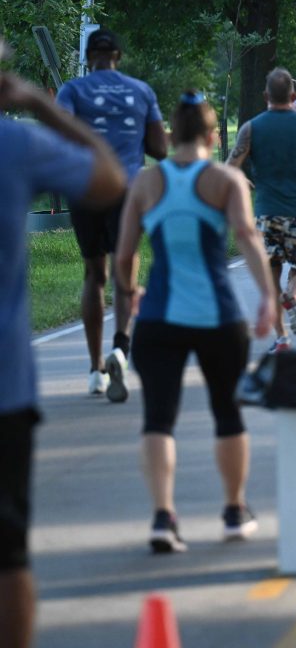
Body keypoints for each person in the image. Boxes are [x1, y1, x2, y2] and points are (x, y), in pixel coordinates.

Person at [114, 91, 275, 554]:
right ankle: (234, 511)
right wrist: (268, 297)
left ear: (170, 136)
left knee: (158, 419)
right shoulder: (227, 179)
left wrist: (130, 291)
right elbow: (246, 236)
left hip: (158, 317)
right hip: (218, 316)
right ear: (212, 136)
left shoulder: (145, 182)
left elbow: (124, 254)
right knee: (228, 412)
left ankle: (163, 517)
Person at [0, 68, 125, 648]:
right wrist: (38, 104)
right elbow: (110, 177)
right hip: (6, 389)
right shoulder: (15, 144)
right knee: (8, 556)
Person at [54, 27, 168, 402]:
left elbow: (62, 134)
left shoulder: (72, 90)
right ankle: (121, 346)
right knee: (124, 270)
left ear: (89, 57)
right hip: (127, 191)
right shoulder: (141, 91)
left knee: (94, 274)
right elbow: (159, 148)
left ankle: (95, 370)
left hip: (86, 187)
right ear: (118, 56)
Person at [227, 68, 296, 352]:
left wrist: (246, 183)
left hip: (267, 212)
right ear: (294, 95)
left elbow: (230, 168)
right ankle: (293, 297)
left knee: (270, 277)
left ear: (266, 96)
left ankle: (282, 337)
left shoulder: (251, 128)